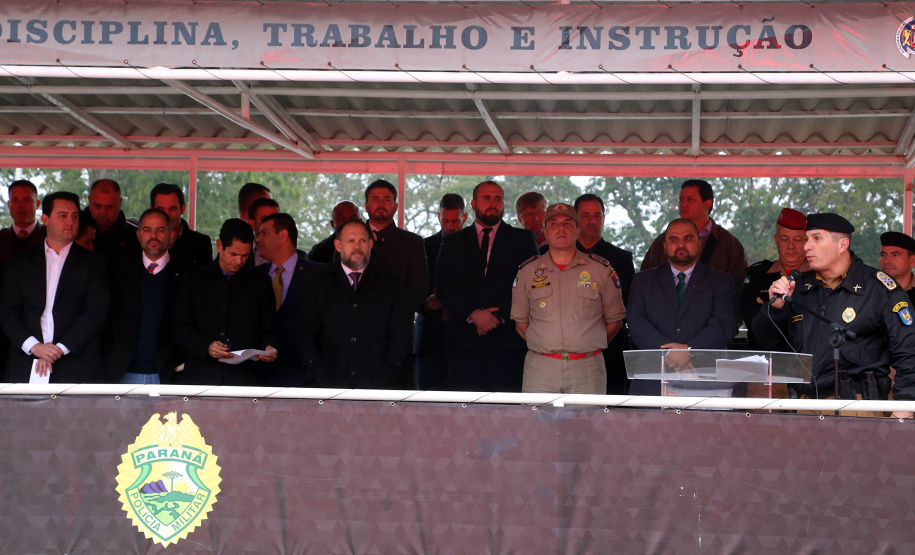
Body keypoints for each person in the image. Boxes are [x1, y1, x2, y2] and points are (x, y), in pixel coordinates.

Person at [755, 214, 915, 415]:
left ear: (842, 245)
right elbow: (765, 342)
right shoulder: (799, 287)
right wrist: (775, 308)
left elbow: (909, 353)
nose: (806, 246)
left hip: (858, 406)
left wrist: (905, 406)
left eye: (817, 238)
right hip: (805, 405)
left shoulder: (879, 288)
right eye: (807, 239)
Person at [435, 181, 540, 392]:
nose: (493, 203)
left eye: (498, 199)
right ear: (473, 204)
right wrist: (473, 314)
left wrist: (497, 317)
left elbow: (531, 284)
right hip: (463, 345)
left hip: (507, 343)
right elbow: (443, 285)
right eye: (486, 198)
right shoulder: (453, 242)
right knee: (464, 415)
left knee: (506, 415)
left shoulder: (522, 239)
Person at [511, 203, 626, 394]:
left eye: (568, 223)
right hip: (541, 368)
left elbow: (615, 321)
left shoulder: (600, 270)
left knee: (587, 424)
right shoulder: (527, 271)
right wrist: (546, 346)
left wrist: (587, 345)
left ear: (578, 231)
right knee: (537, 423)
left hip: (587, 368)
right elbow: (521, 323)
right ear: (545, 232)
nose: (561, 229)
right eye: (554, 224)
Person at [0, 191, 109, 383]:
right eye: (62, 215)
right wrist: (34, 346)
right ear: (45, 219)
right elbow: (8, 312)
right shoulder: (20, 262)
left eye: (74, 216)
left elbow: (95, 313)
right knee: (23, 414)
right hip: (26, 361)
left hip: (76, 363)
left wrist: (59, 349)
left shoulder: (94, 263)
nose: (70, 222)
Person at [627, 218, 739, 395]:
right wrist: (671, 353)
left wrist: (689, 350)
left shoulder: (721, 281)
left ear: (699, 243)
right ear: (664, 246)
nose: (680, 244)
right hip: (652, 381)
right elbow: (636, 323)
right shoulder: (643, 281)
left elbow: (725, 325)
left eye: (688, 238)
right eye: (673, 239)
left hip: (704, 378)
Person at [297, 218, 413, 389]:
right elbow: (304, 334)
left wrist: (387, 374)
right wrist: (317, 371)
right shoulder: (318, 283)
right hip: (328, 384)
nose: (357, 246)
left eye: (362, 241)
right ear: (338, 245)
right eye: (350, 241)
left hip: (377, 386)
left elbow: (401, 337)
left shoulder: (391, 285)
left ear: (370, 244)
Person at [173, 218, 278, 386]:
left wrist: (268, 347)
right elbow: (180, 328)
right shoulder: (193, 279)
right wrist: (206, 347)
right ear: (220, 245)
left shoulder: (260, 282)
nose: (238, 261)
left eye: (245, 255)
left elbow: (269, 327)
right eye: (233, 254)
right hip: (201, 376)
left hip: (245, 378)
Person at [103, 208, 187, 385]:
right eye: (147, 230)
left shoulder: (187, 274)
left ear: (171, 235)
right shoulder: (117, 271)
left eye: (160, 230)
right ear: (138, 235)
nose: (153, 236)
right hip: (122, 373)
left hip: (168, 375)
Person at [573, 193, 636, 394]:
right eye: (585, 216)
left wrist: (598, 342)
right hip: (565, 350)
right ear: (575, 219)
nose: (592, 221)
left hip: (610, 349)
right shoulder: (554, 254)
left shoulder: (621, 259)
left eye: (597, 215)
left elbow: (624, 308)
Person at [640, 179, 747, 296]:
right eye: (681, 200)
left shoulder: (728, 244)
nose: (684, 204)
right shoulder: (662, 241)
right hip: (667, 310)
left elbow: (738, 286)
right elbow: (645, 279)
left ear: (707, 204)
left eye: (690, 199)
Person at [256, 212, 322, 387]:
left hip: (304, 378)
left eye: (264, 233)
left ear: (283, 235)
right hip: (259, 379)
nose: (258, 239)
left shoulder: (318, 275)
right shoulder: (253, 277)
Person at [414, 193, 467, 390]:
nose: (450, 226)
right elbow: (411, 288)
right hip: (430, 336)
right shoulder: (424, 246)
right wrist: (426, 302)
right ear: (438, 216)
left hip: (464, 337)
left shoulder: (476, 247)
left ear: (465, 217)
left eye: (456, 221)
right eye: (446, 220)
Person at [742, 208, 809, 350]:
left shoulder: (820, 276)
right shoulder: (756, 275)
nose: (791, 246)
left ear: (807, 241)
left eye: (797, 239)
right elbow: (752, 324)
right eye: (784, 239)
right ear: (776, 240)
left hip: (808, 364)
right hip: (764, 361)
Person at [363, 179, 429, 313]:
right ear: (366, 206)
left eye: (386, 199)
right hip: (358, 321)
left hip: (399, 322)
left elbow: (420, 288)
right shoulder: (350, 239)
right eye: (375, 199)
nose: (381, 204)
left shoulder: (413, 242)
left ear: (396, 206)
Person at [150, 182, 212, 268]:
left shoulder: (200, 243)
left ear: (183, 208)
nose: (167, 215)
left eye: (172, 209)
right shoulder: (140, 242)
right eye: (161, 209)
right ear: (151, 210)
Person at [83, 178, 140, 256]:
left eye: (109, 207)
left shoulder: (136, 238)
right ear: (89, 200)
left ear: (120, 203)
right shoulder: (73, 233)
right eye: (97, 206)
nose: (103, 213)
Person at [0, 179, 46, 265]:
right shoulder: (2, 237)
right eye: (15, 200)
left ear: (37, 204)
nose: (21, 205)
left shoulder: (50, 237)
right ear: (9, 204)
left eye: (27, 200)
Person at [879, 231, 915, 305]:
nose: (886, 261)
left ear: (912, 261)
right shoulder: (871, 292)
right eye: (883, 255)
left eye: (895, 255)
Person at [247, 197, 280, 266]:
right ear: (252, 224)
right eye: (265, 219)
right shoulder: (239, 254)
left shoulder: (297, 256)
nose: (273, 224)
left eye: (276, 218)